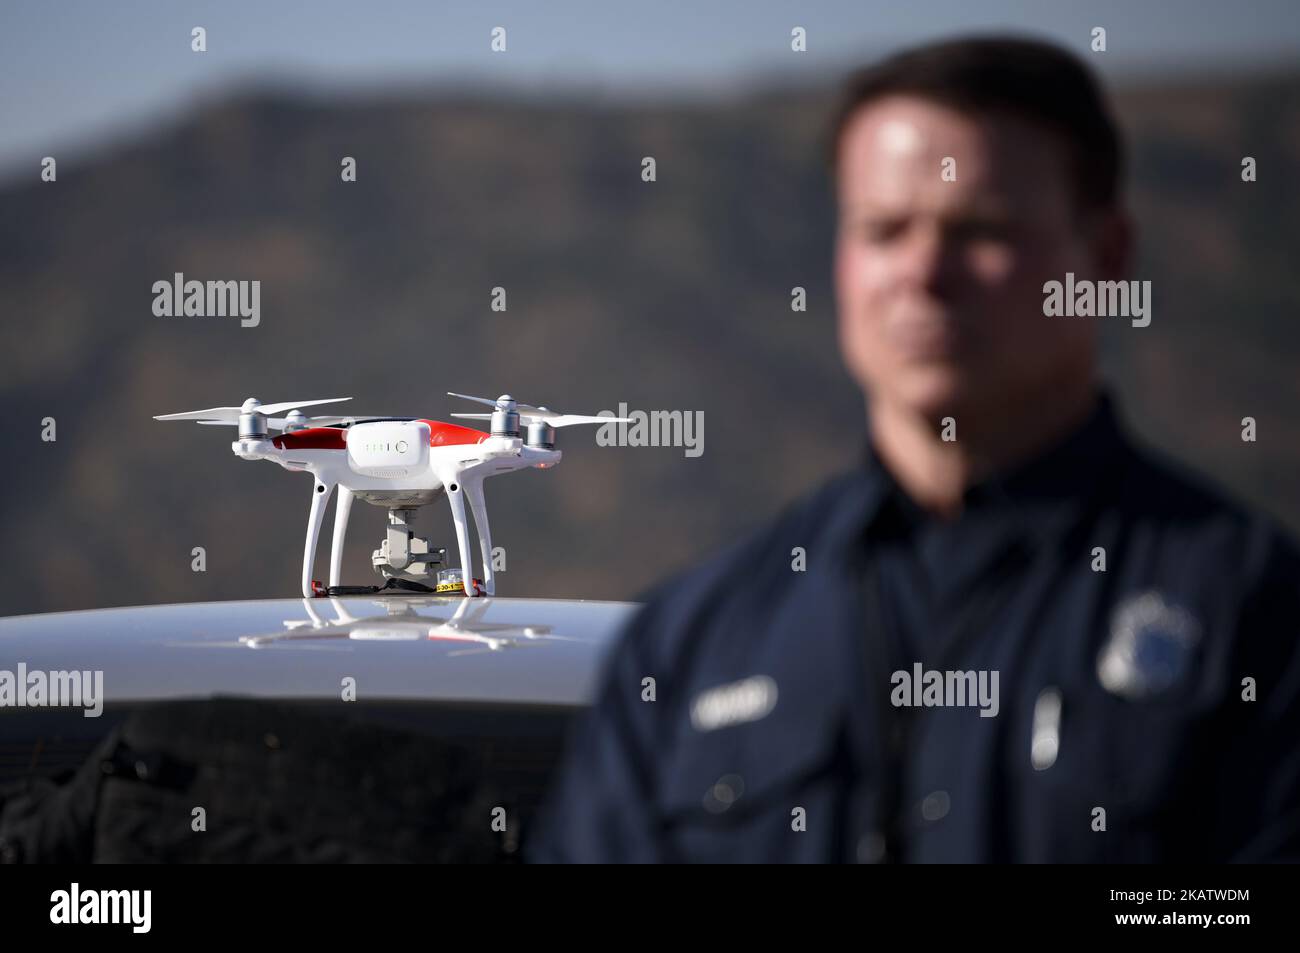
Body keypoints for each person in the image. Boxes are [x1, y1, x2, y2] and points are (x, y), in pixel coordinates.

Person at [527, 36, 1300, 863]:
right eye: (885, 229)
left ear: (1106, 259)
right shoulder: (691, 644)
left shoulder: (1253, 617)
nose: (924, 273)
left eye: (981, 230)